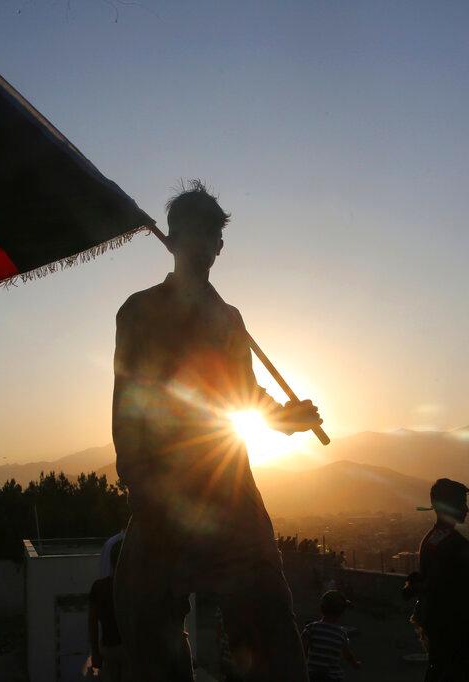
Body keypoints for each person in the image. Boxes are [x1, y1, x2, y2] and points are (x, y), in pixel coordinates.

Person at [111, 180, 322, 681]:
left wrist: (287, 420)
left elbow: (244, 398)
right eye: (202, 233)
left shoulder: (229, 319)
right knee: (141, 615)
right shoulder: (138, 312)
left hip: (227, 484)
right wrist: (139, 486)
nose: (212, 246)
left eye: (217, 238)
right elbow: (128, 404)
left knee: (269, 623)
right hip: (163, 490)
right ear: (176, 235)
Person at [404, 478, 469, 682]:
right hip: (459, 631)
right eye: (461, 503)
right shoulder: (458, 545)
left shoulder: (429, 540)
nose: (467, 509)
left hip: (436, 628)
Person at [301, 590, 361, 682]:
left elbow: (302, 648)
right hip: (333, 678)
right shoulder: (341, 633)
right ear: (341, 613)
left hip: (312, 675)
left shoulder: (311, 628)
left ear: (321, 608)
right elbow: (347, 655)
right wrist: (355, 664)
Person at [89, 541, 124, 681]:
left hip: (108, 651)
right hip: (128, 654)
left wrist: (95, 653)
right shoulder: (133, 591)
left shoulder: (99, 587)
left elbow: (92, 623)